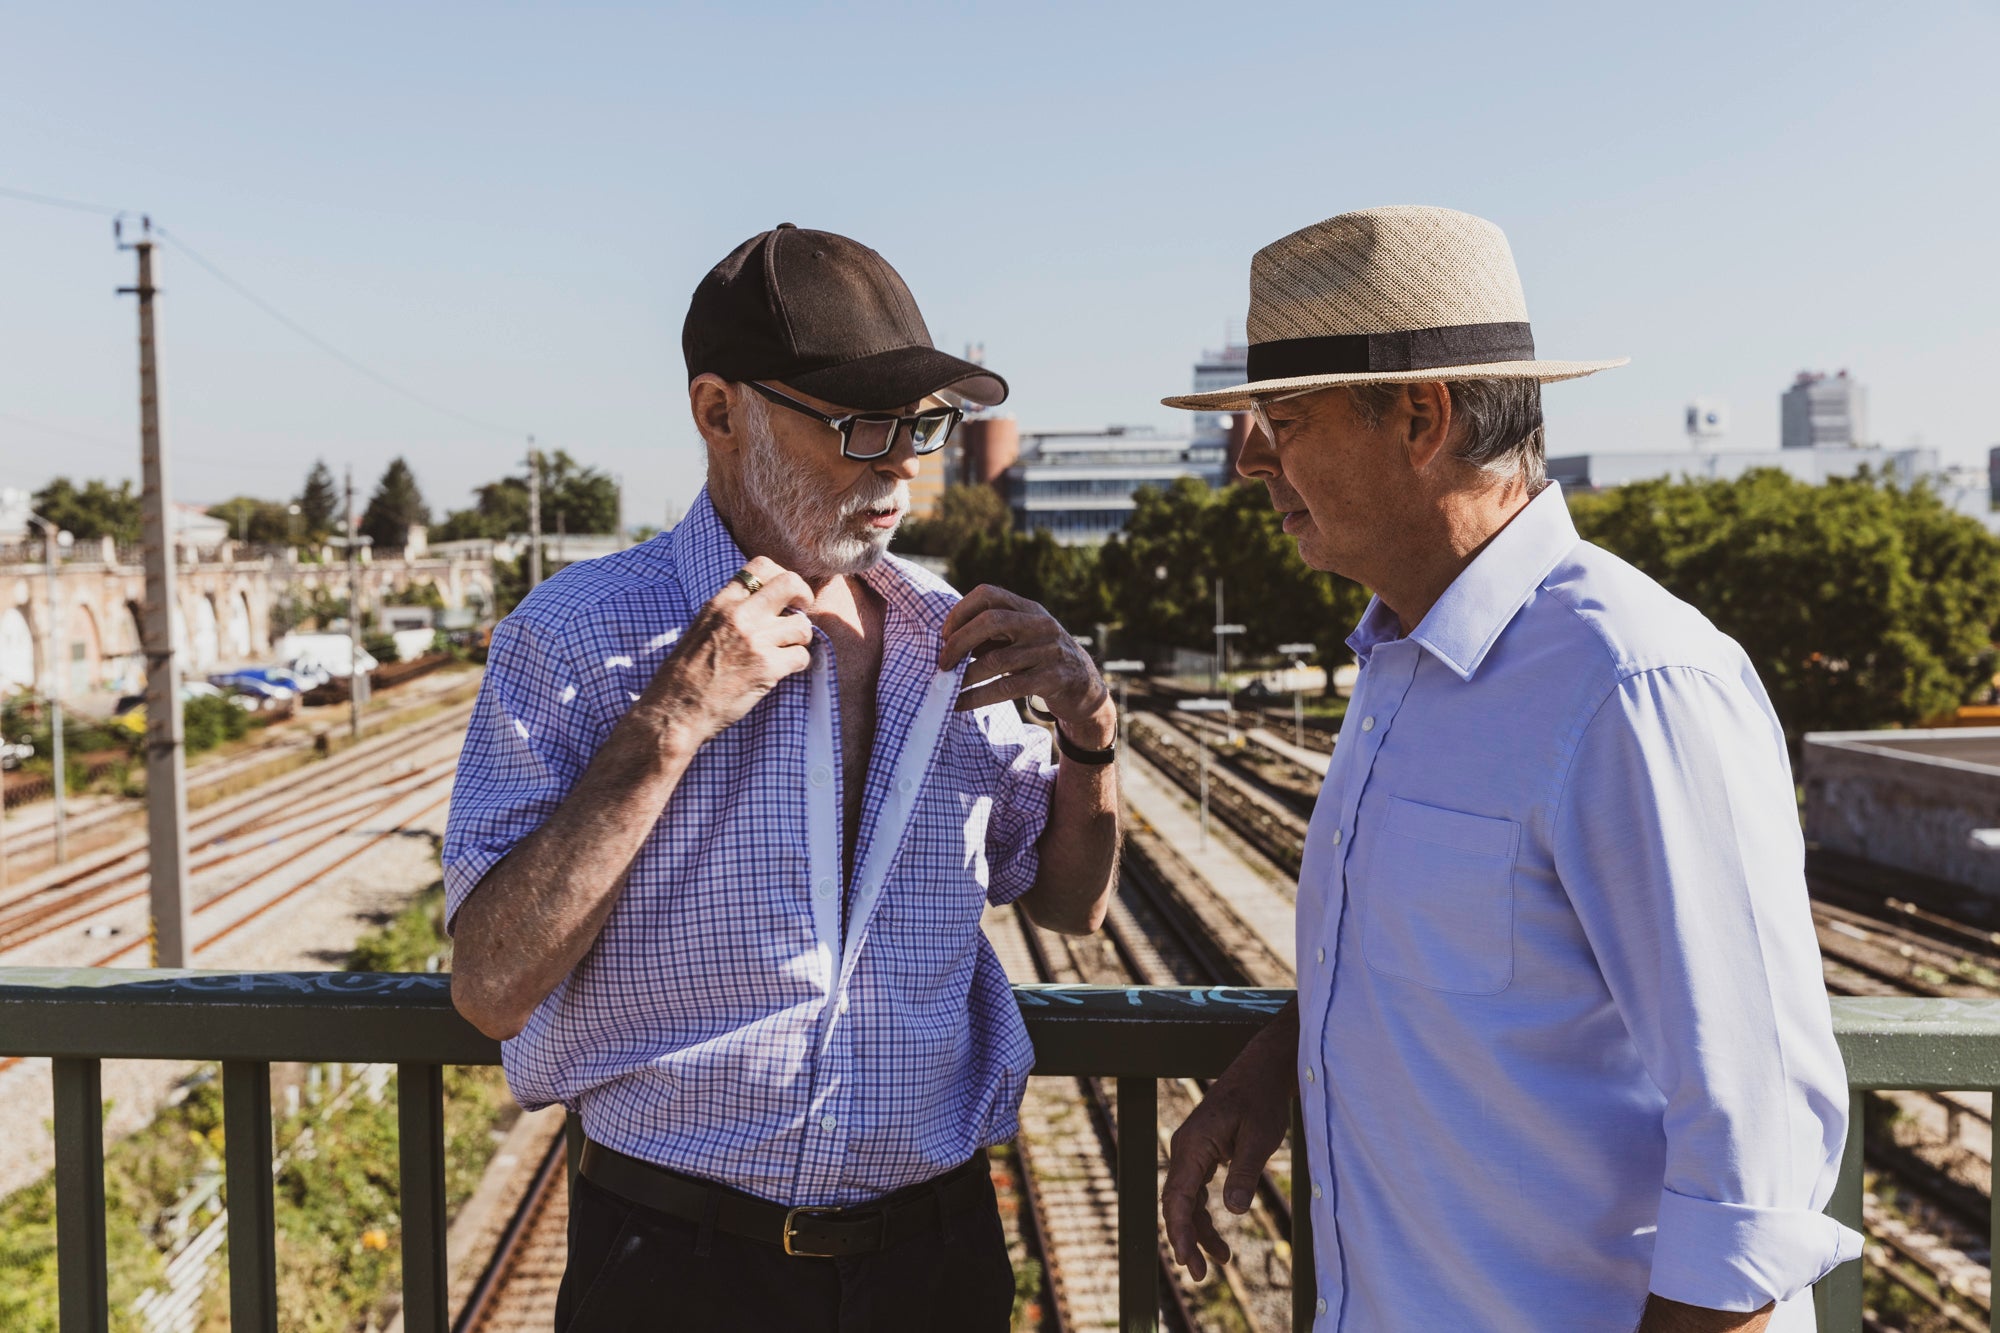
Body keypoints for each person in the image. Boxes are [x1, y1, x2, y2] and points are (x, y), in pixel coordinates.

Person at [1157, 206, 1861, 1332]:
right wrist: (1276, 1062)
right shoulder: (1401, 660)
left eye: (1282, 420)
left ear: (1421, 418)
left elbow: (1755, 1147)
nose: (1250, 458)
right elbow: (1463, 952)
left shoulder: (1631, 682)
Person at [443, 223, 1122, 1332]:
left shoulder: (949, 633)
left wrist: (1090, 733)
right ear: (719, 411)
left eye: (920, 425)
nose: (901, 464)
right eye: (861, 424)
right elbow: (489, 983)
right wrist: (671, 718)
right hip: (676, 1265)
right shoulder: (572, 634)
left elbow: (1068, 903)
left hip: (933, 1262)